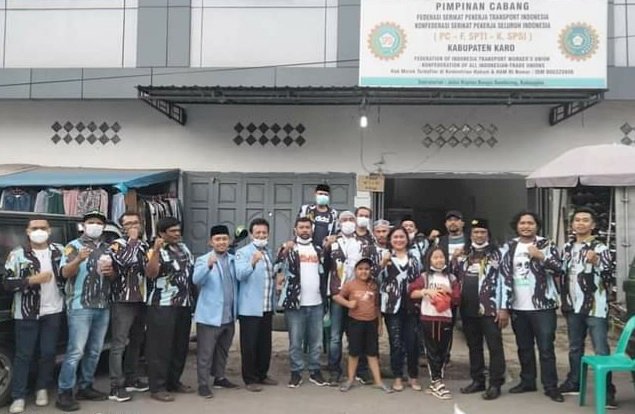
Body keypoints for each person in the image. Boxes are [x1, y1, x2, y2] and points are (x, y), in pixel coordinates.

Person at [500, 211, 564, 403]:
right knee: (524, 347)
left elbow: (560, 268)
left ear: (537, 226)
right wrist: (504, 305)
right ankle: (527, 381)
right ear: (516, 225)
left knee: (546, 348)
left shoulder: (547, 244)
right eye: (523, 223)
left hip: (543, 306)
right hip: (518, 306)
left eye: (530, 223)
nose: (526, 226)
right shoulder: (509, 246)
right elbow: (503, 275)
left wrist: (541, 256)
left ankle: (551, 386)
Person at [3, 218, 65, 414]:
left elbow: (69, 272)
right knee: (24, 355)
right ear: (28, 231)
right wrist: (31, 280)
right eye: (35, 228)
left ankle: (42, 388)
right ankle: (18, 396)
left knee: (48, 353)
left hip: (53, 310)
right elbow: (7, 283)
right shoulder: (18, 254)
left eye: (43, 228)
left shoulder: (59, 251)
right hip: (26, 312)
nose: (39, 231)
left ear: (49, 230)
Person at [558, 207, 617, 409]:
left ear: (593, 225)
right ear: (572, 224)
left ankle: (608, 391)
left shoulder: (600, 247)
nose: (580, 223)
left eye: (585, 220)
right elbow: (561, 272)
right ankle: (574, 381)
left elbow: (610, 275)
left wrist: (598, 261)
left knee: (601, 349)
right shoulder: (567, 247)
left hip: (595, 308)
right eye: (577, 220)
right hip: (573, 306)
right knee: (575, 347)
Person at [56, 210, 114, 412]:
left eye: (98, 223)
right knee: (75, 351)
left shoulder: (108, 248)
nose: (95, 225)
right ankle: (64, 392)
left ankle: (86, 386)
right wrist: (78, 259)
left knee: (95, 350)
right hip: (79, 306)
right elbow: (64, 273)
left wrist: (111, 273)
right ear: (83, 225)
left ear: (103, 227)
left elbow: (113, 277)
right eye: (91, 222)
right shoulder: (73, 246)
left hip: (102, 305)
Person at [452, 218, 507, 400]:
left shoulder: (498, 254)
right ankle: (478, 380)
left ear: (488, 234)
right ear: (470, 235)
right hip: (468, 308)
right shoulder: (464, 253)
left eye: (483, 232)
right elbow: (454, 276)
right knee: (474, 346)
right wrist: (453, 259)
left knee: (494, 346)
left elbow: (505, 281)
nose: (479, 235)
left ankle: (495, 383)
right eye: (476, 232)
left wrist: (503, 307)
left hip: (490, 309)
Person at [323, 211, 378, 384]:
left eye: (350, 219)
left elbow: (369, 267)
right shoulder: (332, 242)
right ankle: (334, 370)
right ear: (339, 223)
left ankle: (361, 370)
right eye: (344, 220)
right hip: (338, 293)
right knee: (335, 335)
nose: (348, 222)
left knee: (358, 334)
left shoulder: (364, 244)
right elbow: (324, 266)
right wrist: (326, 246)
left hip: (358, 293)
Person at [145, 217, 195, 402]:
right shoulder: (153, 250)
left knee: (180, 345)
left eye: (178, 230)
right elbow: (151, 273)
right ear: (161, 233)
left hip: (183, 304)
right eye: (172, 231)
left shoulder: (183, 248)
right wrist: (157, 251)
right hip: (162, 304)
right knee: (160, 348)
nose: (177, 234)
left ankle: (174, 381)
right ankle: (157, 387)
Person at [277, 217, 329, 388]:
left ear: (312, 230)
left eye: (307, 227)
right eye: (301, 227)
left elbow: (325, 271)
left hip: (317, 302)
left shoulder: (318, 249)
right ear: (295, 230)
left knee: (316, 341)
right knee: (295, 341)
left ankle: (315, 370)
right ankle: (296, 372)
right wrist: (283, 251)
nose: (305, 230)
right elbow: (276, 268)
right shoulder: (289, 248)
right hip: (295, 303)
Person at [193, 225, 239, 399]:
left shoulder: (233, 260)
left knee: (223, 350)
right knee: (205, 353)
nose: (221, 242)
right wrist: (208, 266)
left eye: (224, 239)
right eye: (217, 239)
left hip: (228, 314)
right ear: (210, 242)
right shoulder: (203, 260)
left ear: (229, 241)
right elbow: (196, 280)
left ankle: (219, 377)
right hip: (209, 316)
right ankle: (203, 384)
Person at [333, 258, 392, 394]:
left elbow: (377, 306)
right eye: (360, 269)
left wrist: (380, 324)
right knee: (354, 352)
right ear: (355, 271)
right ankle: (350, 379)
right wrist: (348, 304)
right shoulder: (350, 285)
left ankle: (378, 381)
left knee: (372, 353)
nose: (364, 272)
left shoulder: (374, 285)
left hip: (371, 322)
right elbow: (336, 297)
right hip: (355, 322)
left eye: (366, 269)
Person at [108, 212, 149, 403]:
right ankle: (116, 385)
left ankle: (132, 378)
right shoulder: (117, 244)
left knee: (137, 341)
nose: (133, 226)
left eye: (136, 223)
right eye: (128, 223)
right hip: (122, 300)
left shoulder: (144, 245)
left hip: (141, 299)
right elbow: (124, 262)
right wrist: (132, 241)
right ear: (122, 227)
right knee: (119, 343)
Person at [409, 246, 460, 400]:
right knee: (431, 351)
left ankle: (437, 382)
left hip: (446, 318)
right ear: (429, 260)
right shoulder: (425, 277)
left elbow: (458, 298)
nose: (439, 260)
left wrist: (449, 291)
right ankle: (436, 381)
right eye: (435, 257)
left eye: (441, 257)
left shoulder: (451, 278)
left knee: (443, 352)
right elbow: (411, 292)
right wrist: (426, 291)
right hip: (429, 318)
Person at [235, 218, 278, 392]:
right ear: (251, 234)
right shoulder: (243, 252)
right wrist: (252, 263)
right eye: (258, 233)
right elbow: (240, 275)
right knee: (249, 345)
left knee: (264, 344)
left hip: (266, 306)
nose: (261, 235)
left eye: (264, 233)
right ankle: (250, 378)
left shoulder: (268, 252)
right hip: (250, 307)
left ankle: (262, 374)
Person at [378, 226, 421, 392]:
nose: (399, 240)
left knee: (412, 342)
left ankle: (413, 376)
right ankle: (397, 376)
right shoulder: (385, 257)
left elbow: (419, 280)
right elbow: (375, 278)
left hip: (412, 306)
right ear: (390, 240)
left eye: (402, 237)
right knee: (395, 343)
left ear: (407, 239)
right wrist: (383, 263)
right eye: (395, 237)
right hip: (392, 306)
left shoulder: (414, 259)